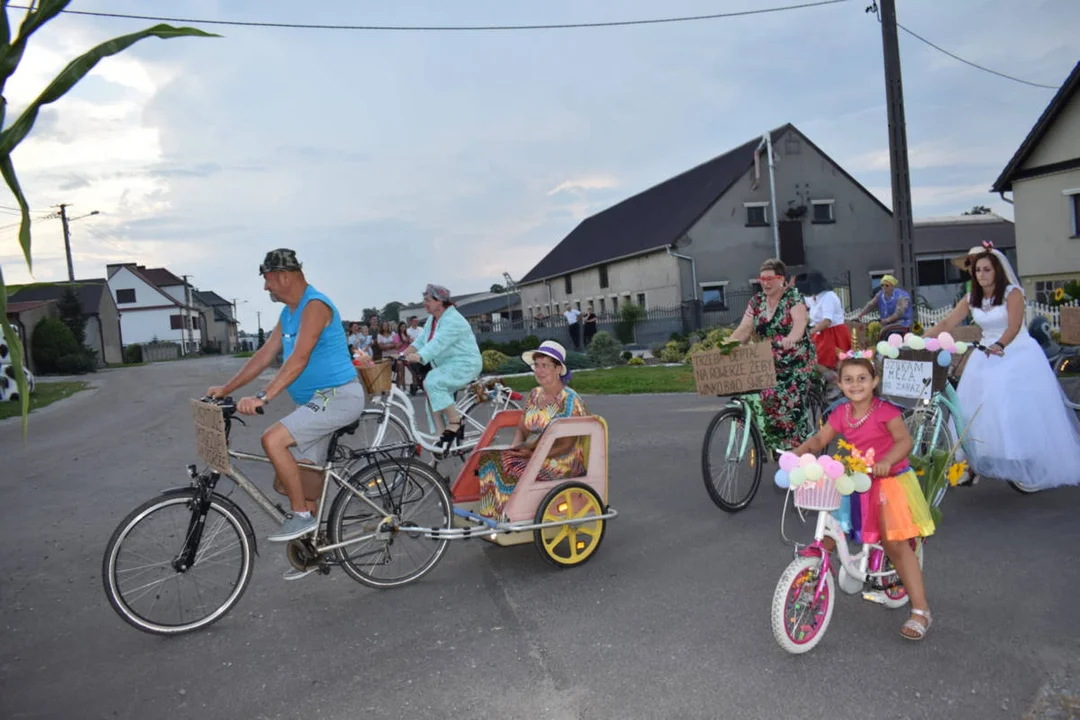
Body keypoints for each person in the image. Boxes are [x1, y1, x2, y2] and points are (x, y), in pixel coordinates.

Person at [206, 249, 366, 555]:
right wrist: (226, 389)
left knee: (273, 440)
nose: (266, 287)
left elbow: (299, 358)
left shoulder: (315, 306)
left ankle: (302, 517)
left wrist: (264, 396)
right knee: (303, 480)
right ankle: (317, 550)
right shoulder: (288, 313)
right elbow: (264, 355)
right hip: (316, 403)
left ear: (285, 276)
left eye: (267, 280)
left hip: (339, 397)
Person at [791, 355, 934, 640]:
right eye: (848, 380)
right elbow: (820, 440)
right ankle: (812, 576)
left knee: (894, 544)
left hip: (888, 481)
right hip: (856, 479)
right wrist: (799, 454)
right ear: (840, 384)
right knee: (830, 529)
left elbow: (904, 441)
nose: (855, 384)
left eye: (862, 379)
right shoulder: (841, 413)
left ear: (874, 382)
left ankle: (921, 610)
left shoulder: (886, 411)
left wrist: (887, 461)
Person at [925, 244, 1080, 489]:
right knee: (969, 404)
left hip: (1015, 352)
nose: (982, 274)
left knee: (1004, 400)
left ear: (996, 270)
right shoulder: (971, 298)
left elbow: (1014, 326)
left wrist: (1000, 345)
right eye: (978, 270)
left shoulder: (1012, 292)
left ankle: (1020, 455)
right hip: (985, 353)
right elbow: (946, 321)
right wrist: (921, 337)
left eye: (987, 269)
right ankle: (972, 460)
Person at [476, 341, 589, 520]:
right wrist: (515, 447)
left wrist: (534, 455)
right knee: (490, 458)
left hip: (561, 461)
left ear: (558, 369)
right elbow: (522, 426)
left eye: (545, 365)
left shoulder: (570, 401)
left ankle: (513, 516)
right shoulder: (535, 394)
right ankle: (494, 515)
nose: (539, 370)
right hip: (534, 453)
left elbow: (567, 445)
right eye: (537, 365)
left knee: (511, 466)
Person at [728, 258, 817, 452]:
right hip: (768, 357)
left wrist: (791, 338)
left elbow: (800, 322)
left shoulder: (793, 297)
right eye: (762, 279)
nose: (765, 283)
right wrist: (725, 347)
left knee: (785, 397)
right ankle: (773, 440)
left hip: (795, 357)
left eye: (770, 278)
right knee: (756, 392)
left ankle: (797, 448)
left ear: (782, 279)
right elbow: (744, 329)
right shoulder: (757, 301)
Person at [402, 284, 483, 450]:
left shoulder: (453, 320)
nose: (425, 303)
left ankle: (455, 421)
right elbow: (421, 340)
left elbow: (438, 343)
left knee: (433, 382)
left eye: (428, 300)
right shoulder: (433, 319)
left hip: (465, 364)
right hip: (449, 365)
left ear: (440, 302)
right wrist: (403, 354)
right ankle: (441, 437)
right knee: (431, 392)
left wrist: (421, 356)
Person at [799, 270, 852, 373]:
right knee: (816, 360)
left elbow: (827, 321)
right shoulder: (815, 297)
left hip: (833, 333)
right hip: (821, 334)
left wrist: (810, 332)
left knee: (833, 363)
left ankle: (836, 381)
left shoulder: (828, 296)